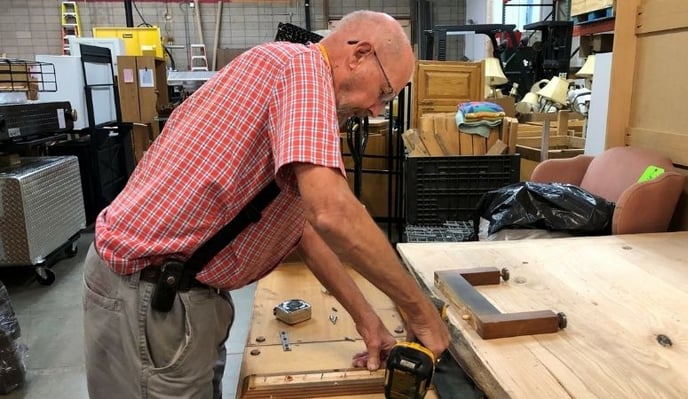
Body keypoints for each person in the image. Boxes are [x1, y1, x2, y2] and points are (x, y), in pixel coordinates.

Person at [83, 9, 450, 398]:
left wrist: (367, 320)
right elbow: (333, 214)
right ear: (359, 54)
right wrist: (420, 313)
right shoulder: (305, 71)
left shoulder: (286, 70)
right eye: (384, 93)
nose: (377, 109)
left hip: (181, 293)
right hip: (151, 294)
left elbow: (303, 226)